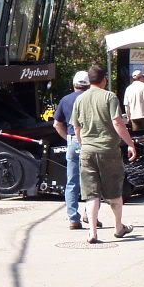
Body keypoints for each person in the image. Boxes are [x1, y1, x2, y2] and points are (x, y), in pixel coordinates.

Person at [71, 65, 138, 244]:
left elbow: (77, 127)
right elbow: (117, 122)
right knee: (115, 192)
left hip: (87, 151)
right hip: (109, 151)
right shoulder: (109, 97)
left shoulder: (80, 99)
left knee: (91, 194)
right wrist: (130, 144)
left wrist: (83, 143)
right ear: (104, 80)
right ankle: (118, 228)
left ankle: (92, 233)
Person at [54, 70, 94, 230]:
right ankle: (90, 215)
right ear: (89, 84)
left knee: (72, 182)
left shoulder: (65, 100)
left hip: (73, 141)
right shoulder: (92, 98)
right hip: (91, 141)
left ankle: (73, 219)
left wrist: (68, 139)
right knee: (92, 181)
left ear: (74, 84)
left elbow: (57, 124)